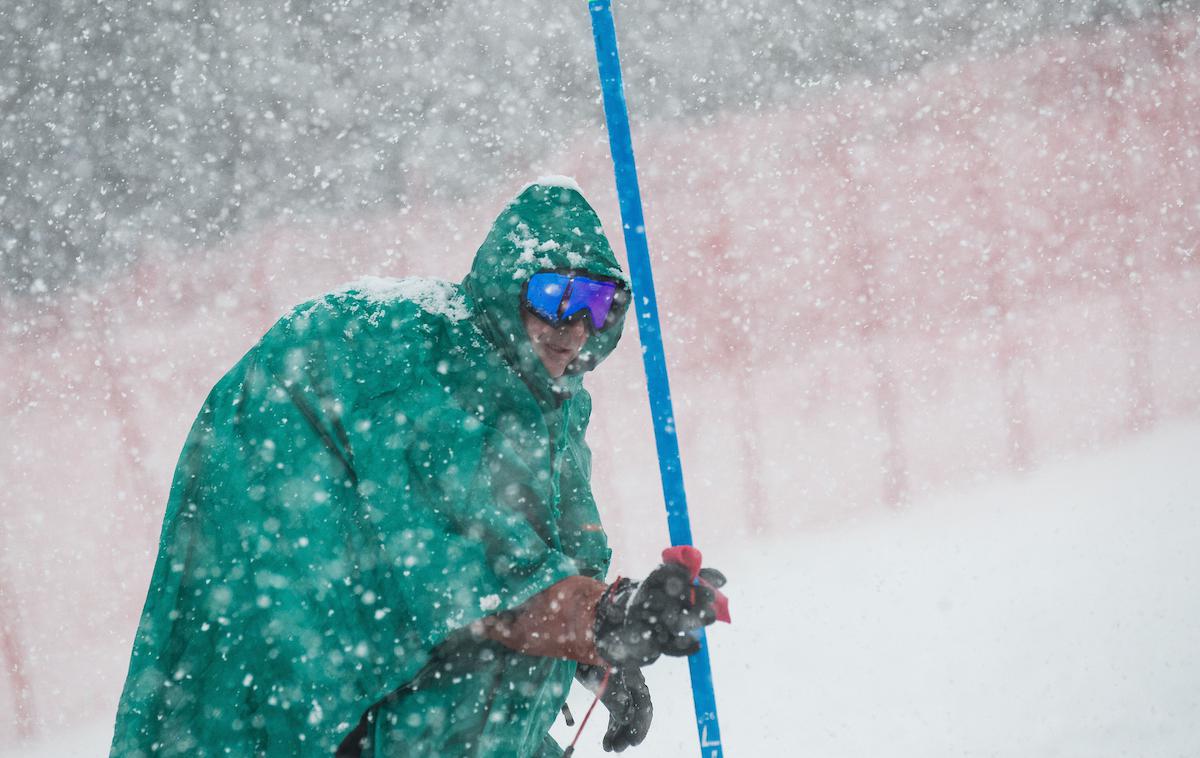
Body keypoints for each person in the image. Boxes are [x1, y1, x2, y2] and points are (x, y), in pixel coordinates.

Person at [110, 179, 726, 757]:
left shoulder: (548, 399)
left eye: (596, 301)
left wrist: (594, 655)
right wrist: (604, 620)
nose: (571, 325)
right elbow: (479, 578)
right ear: (504, 291)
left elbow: (541, 555)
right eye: (551, 294)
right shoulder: (431, 373)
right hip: (330, 678)